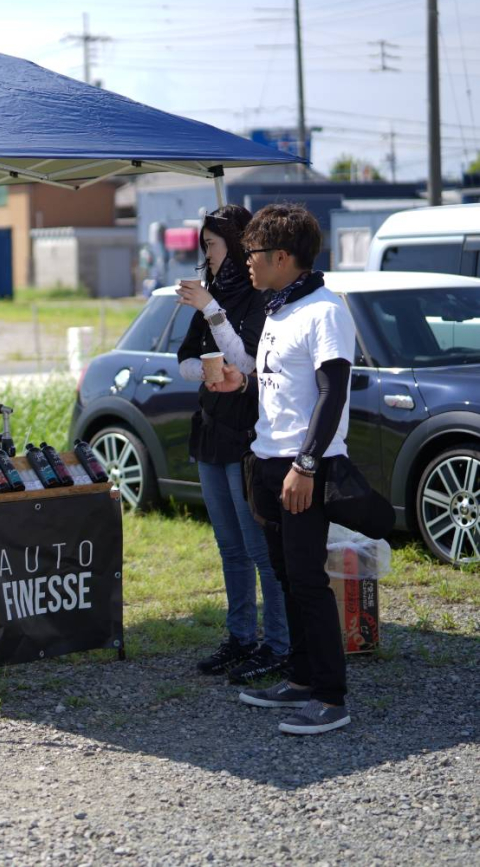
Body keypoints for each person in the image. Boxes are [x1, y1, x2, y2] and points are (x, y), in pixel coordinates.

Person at [209, 203, 356, 735]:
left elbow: (332, 393)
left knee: (308, 581)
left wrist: (306, 465)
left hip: (302, 469)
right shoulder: (278, 307)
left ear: (282, 256)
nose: (246, 260)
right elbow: (281, 382)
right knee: (286, 578)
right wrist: (243, 383)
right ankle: (300, 677)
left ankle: (331, 697)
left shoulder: (324, 310)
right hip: (268, 463)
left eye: (252, 252)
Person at [175, 206, 289, 684]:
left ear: (239, 247)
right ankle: (240, 637)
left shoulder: (260, 299)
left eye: (212, 245)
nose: (207, 256)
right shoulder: (215, 295)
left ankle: (278, 644)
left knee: (259, 547)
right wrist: (205, 371)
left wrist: (210, 310)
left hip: (248, 438)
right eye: (203, 246)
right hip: (210, 432)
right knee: (229, 547)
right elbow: (184, 360)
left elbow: (247, 363)